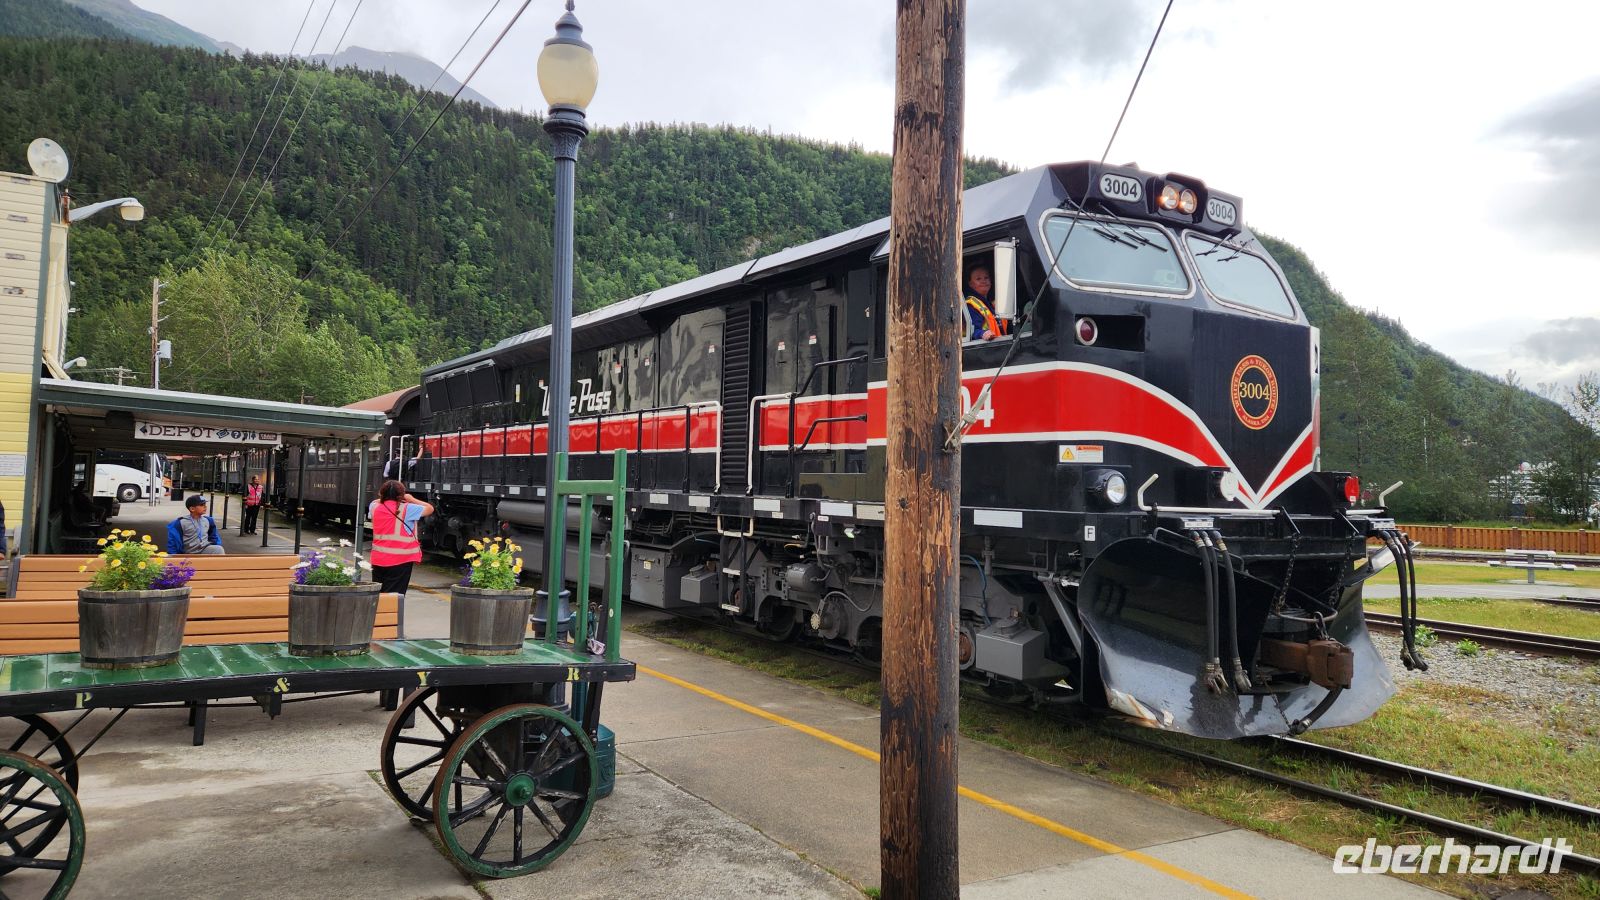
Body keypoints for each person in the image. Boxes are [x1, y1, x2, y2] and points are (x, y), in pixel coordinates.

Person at [368, 480, 433, 597]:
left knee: (379, 595)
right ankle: (390, 616)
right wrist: (411, 499)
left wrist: (384, 498)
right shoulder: (408, 508)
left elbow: (374, 501)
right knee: (393, 598)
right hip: (400, 561)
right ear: (401, 495)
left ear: (382, 493)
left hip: (378, 559)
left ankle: (378, 615)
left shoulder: (374, 507)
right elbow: (429, 508)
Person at [963, 265, 1010, 342]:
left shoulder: (993, 305)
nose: (983, 281)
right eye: (978, 279)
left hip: (1001, 345)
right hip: (986, 348)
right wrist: (982, 333)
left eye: (986, 277)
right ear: (971, 284)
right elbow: (971, 331)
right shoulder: (970, 305)